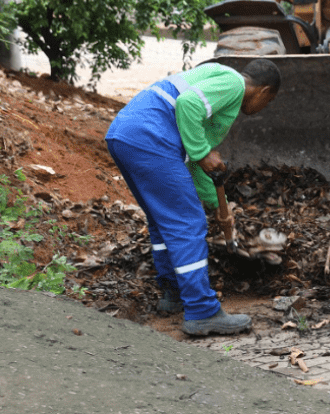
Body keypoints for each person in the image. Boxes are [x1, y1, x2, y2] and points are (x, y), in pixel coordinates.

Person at [105, 59, 281, 336]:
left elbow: (196, 165)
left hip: (125, 133)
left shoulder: (216, 82)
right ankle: (202, 310)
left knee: (162, 221)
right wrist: (202, 152)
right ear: (264, 91)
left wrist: (218, 203)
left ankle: (173, 293)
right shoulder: (234, 83)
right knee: (187, 223)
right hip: (150, 136)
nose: (263, 108)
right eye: (268, 103)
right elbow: (188, 105)